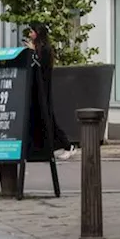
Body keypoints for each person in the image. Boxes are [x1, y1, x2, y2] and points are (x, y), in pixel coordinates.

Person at [27, 23, 77, 161]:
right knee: (43, 120)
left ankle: (67, 145)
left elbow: (41, 66)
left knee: (49, 119)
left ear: (37, 33)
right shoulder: (39, 48)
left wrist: (33, 52)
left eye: (32, 32)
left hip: (43, 89)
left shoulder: (45, 49)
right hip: (36, 89)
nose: (30, 35)